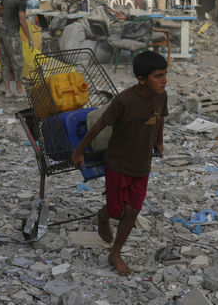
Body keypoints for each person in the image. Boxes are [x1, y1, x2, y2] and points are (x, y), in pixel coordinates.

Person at [71, 51, 168, 276]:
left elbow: (160, 118)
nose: (164, 80)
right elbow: (100, 125)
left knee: (133, 210)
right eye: (158, 76)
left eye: (165, 74)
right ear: (141, 79)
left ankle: (115, 253)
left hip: (142, 164)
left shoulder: (161, 96)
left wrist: (159, 142)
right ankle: (103, 216)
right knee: (116, 210)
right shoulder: (124, 100)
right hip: (118, 163)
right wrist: (79, 150)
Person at [0, 0, 35, 98]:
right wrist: (30, 39)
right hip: (12, 35)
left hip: (1, 32)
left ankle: (8, 91)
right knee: (18, 62)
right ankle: (19, 90)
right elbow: (23, 22)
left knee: (5, 62)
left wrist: (6, 16)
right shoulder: (21, 1)